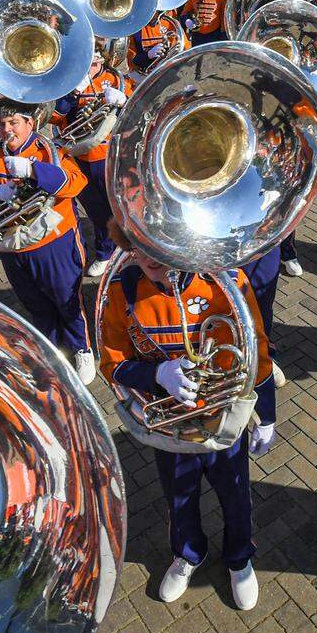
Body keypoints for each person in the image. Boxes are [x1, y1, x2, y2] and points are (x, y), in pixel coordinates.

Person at [98, 243, 277, 611]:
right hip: (169, 424)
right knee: (178, 495)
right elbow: (112, 363)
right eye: (140, 246)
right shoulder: (122, 289)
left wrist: (268, 414)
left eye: (159, 247)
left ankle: (239, 557)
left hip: (222, 415)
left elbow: (256, 349)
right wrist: (156, 374)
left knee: (235, 494)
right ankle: (188, 554)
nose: (149, 258)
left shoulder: (227, 282)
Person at [0, 98, 96, 384]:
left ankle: (81, 347)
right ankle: (54, 349)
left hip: (53, 242)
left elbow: (77, 182)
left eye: (13, 123)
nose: (7, 129)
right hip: (13, 245)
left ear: (29, 123)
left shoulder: (48, 150)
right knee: (35, 303)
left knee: (66, 299)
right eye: (1, 123)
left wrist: (35, 171)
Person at [50, 49, 131, 278]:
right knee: (96, 211)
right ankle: (105, 252)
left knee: (120, 206)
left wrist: (124, 102)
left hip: (111, 156)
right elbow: (55, 117)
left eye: (94, 61)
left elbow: (137, 114)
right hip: (80, 157)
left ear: (101, 59)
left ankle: (128, 250)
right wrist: (73, 93)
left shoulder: (116, 79)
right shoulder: (69, 82)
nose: (90, 66)